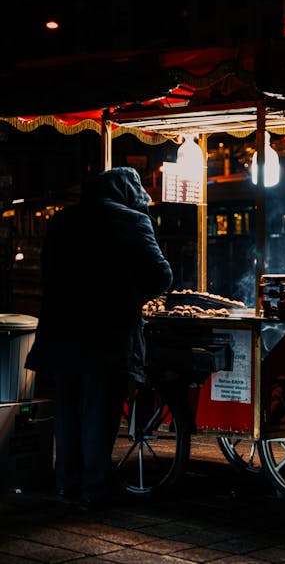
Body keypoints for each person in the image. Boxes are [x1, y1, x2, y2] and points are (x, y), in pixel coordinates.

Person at [25, 167, 173, 510]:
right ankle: (96, 488)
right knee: (100, 410)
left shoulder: (62, 221)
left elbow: (47, 273)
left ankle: (66, 483)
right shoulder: (133, 221)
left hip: (63, 331)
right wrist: (131, 294)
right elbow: (160, 276)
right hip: (108, 333)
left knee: (68, 409)